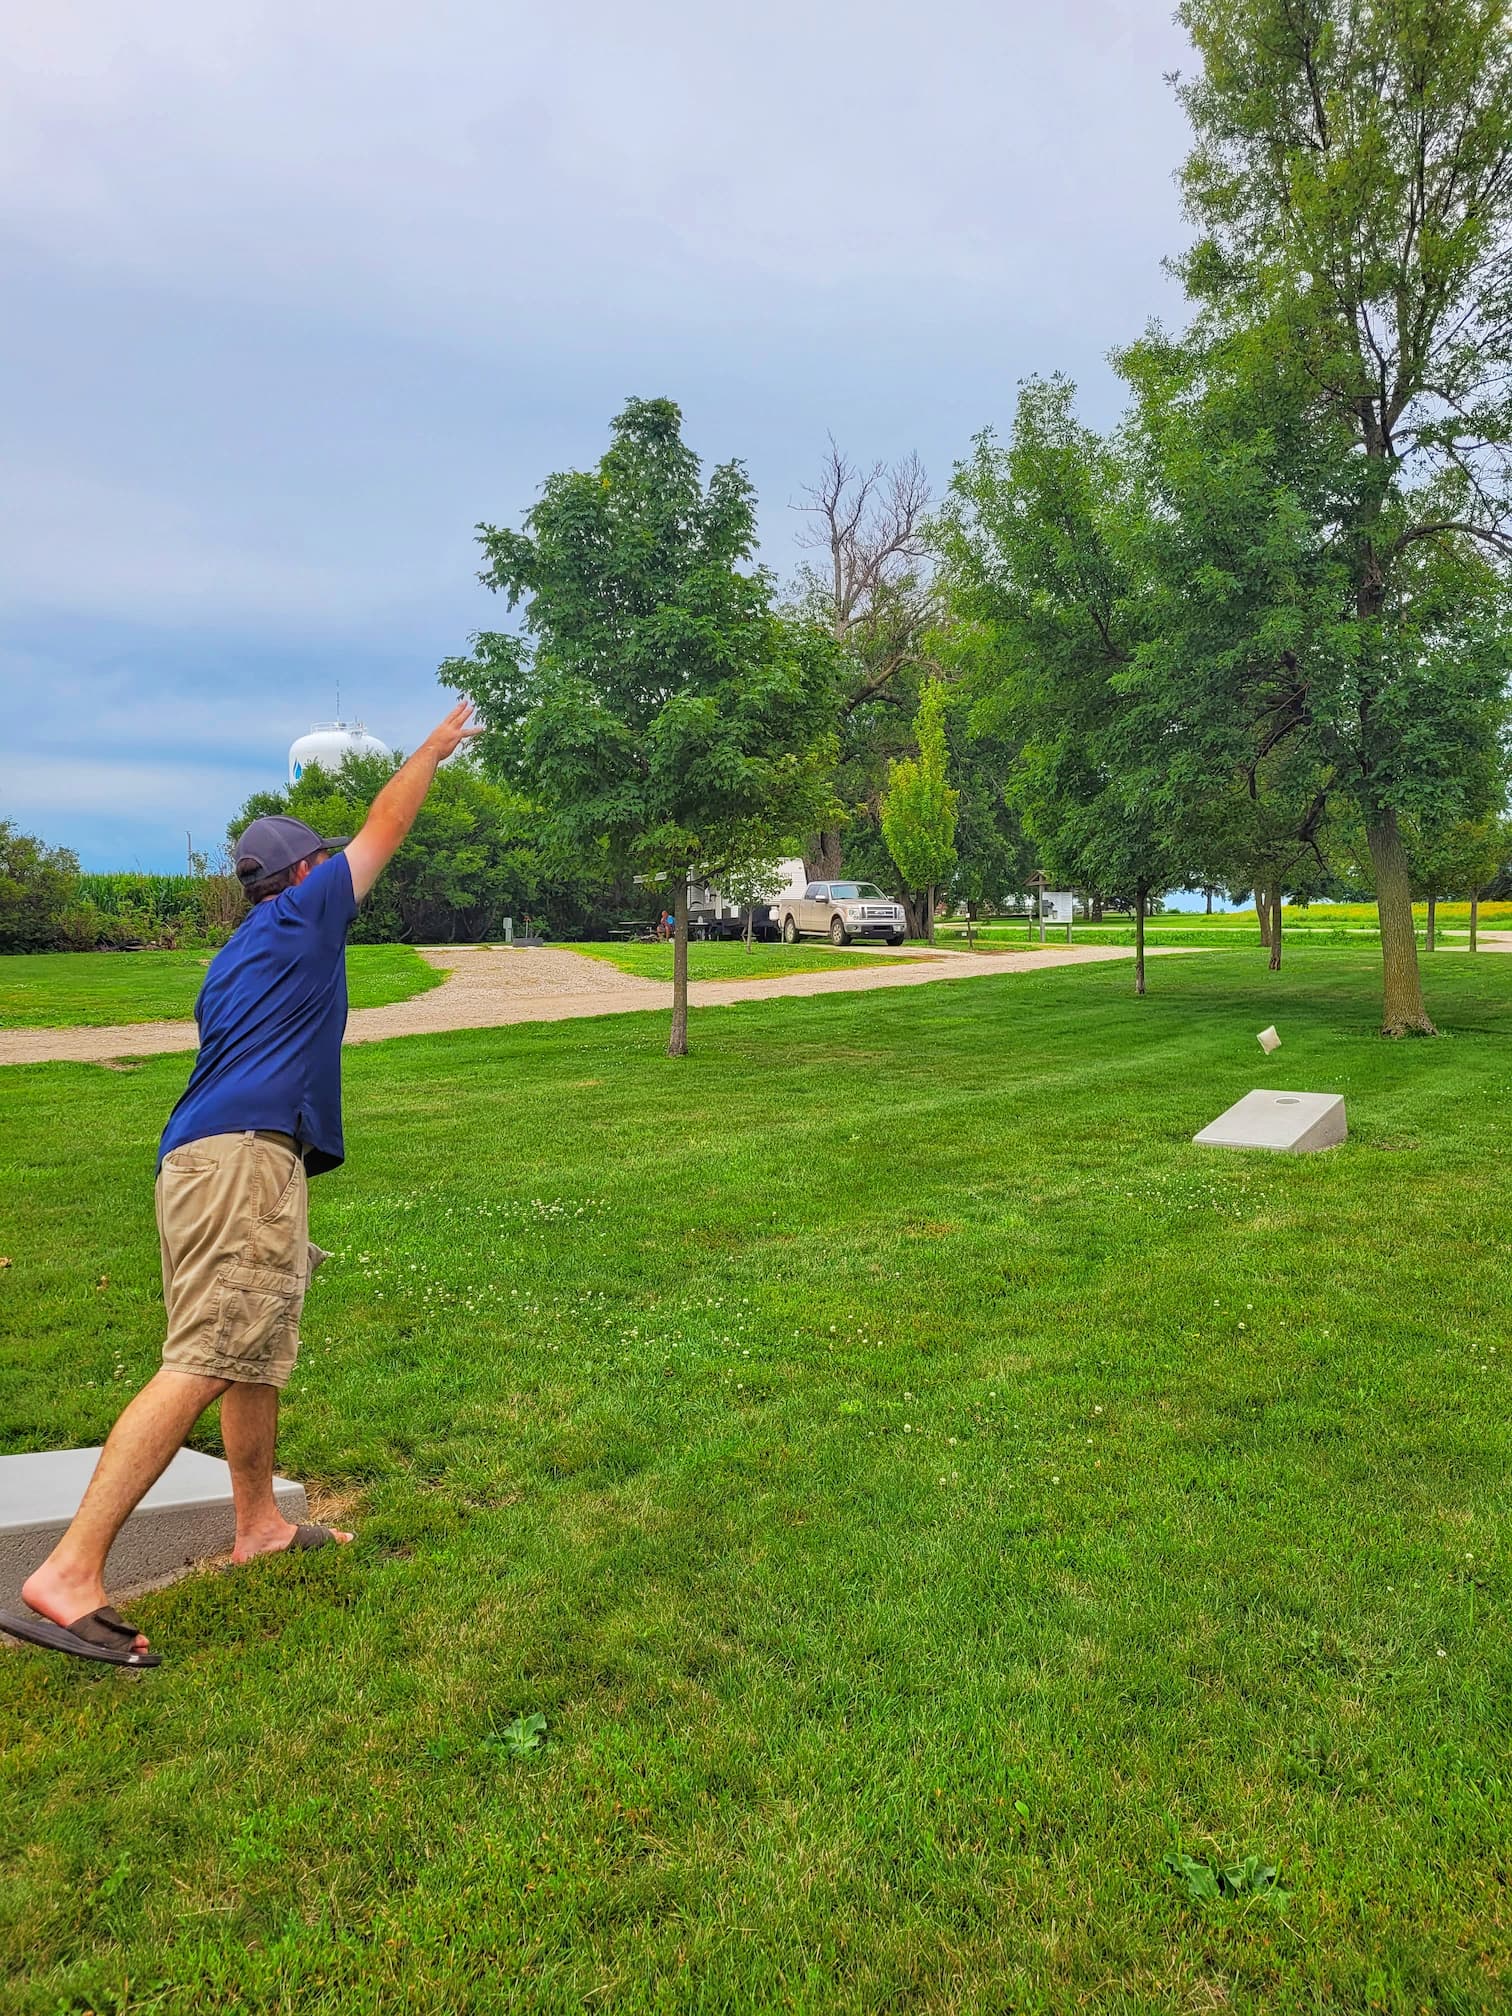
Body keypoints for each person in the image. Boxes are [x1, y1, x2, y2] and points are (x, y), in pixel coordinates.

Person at [0, 700, 483, 1667]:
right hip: (239, 1162)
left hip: (199, 1161)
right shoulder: (307, 915)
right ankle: (69, 1571)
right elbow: (385, 825)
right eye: (323, 863)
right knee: (209, 1353)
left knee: (248, 1350)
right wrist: (431, 751)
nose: (336, 873)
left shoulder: (235, 956)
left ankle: (257, 1524)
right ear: (302, 875)